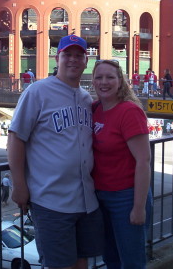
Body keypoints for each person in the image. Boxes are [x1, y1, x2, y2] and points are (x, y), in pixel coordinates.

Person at [7, 34, 103, 269]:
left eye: (78, 55)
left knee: (82, 262)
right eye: (67, 55)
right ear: (57, 58)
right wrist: (19, 186)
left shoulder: (85, 98)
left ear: (85, 61)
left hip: (87, 200)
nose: (73, 60)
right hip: (51, 201)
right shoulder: (37, 91)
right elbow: (16, 139)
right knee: (60, 265)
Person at [92, 59, 152, 269]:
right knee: (111, 259)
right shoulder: (95, 109)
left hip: (126, 197)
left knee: (131, 262)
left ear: (120, 81)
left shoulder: (128, 112)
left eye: (110, 77)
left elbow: (143, 161)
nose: (104, 82)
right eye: (99, 77)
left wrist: (138, 207)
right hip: (101, 197)